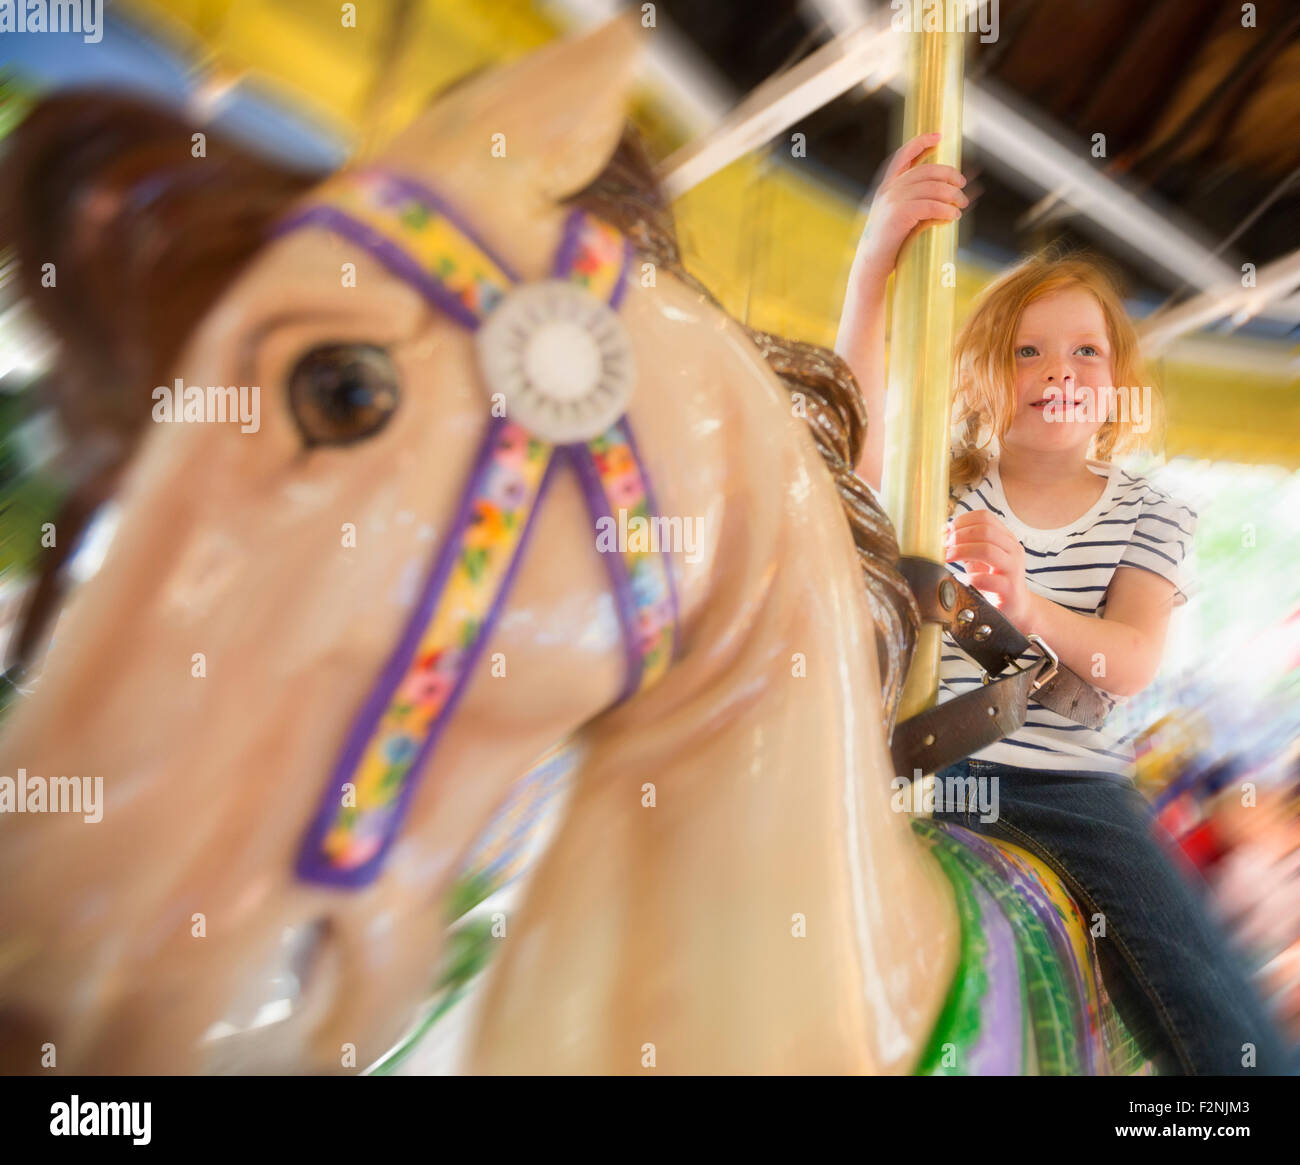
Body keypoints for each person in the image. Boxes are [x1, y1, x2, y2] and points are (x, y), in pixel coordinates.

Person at [836, 132, 1292, 1075]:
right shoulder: (939, 479)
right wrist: (877, 258)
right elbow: (855, 437)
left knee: (1219, 1018)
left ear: (1118, 381)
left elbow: (1130, 658)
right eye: (1028, 349)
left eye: (1087, 350)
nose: (1061, 369)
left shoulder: (1146, 513)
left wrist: (1030, 606)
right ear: (983, 376)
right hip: (913, 774)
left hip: (1067, 791)